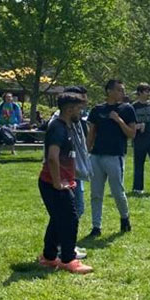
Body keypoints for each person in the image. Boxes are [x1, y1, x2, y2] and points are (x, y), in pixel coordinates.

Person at [36, 92, 93, 274]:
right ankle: (68, 259)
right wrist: (58, 182)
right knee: (70, 220)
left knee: (58, 219)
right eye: (78, 109)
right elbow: (52, 158)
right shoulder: (58, 128)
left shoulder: (67, 126)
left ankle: (49, 257)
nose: (81, 113)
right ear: (69, 109)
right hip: (54, 183)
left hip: (62, 181)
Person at [87, 80, 137, 237]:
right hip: (96, 156)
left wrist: (119, 120)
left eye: (123, 90)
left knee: (117, 191)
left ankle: (124, 217)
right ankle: (96, 226)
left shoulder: (127, 109)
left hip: (115, 156)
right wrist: (86, 152)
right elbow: (91, 133)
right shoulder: (97, 110)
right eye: (119, 90)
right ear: (109, 91)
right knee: (96, 193)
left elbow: (132, 134)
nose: (123, 93)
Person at [49, 86, 92, 229]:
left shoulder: (75, 120)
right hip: (65, 173)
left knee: (71, 211)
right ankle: (62, 245)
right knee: (71, 211)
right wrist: (58, 181)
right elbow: (52, 155)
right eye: (81, 104)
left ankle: (62, 245)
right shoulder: (58, 123)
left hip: (75, 170)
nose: (84, 107)